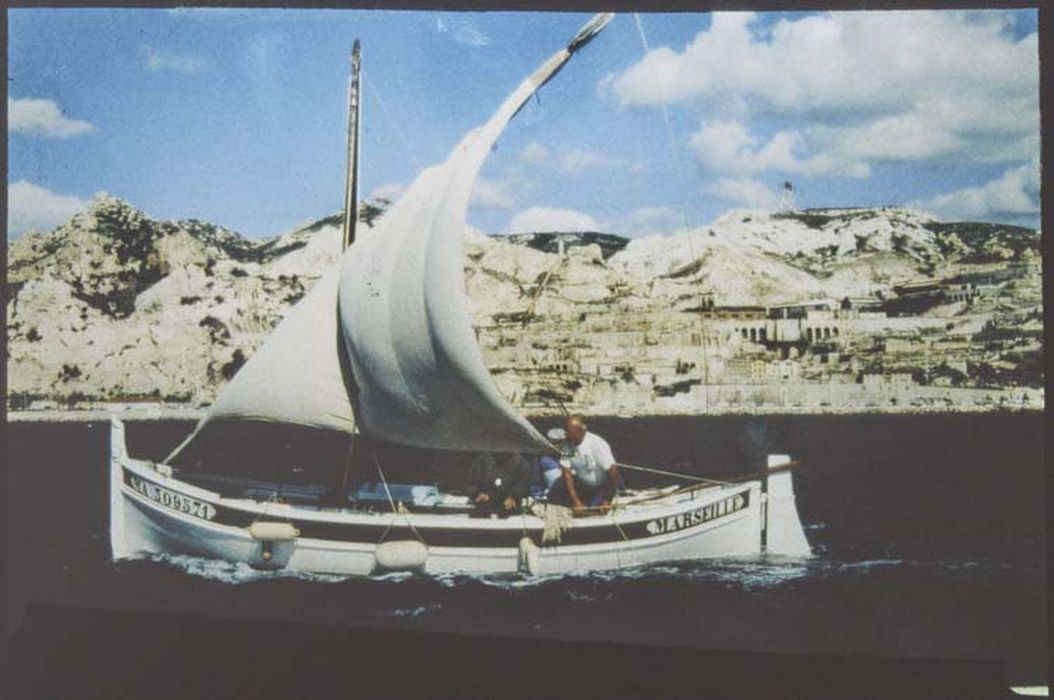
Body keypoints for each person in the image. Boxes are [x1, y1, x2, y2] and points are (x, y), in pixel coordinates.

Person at [547, 414, 621, 514]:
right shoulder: (567, 444)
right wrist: (575, 501)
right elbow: (566, 472)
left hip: (601, 487)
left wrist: (607, 499)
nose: (566, 434)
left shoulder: (597, 444)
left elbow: (614, 473)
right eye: (565, 430)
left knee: (595, 511)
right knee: (558, 487)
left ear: (581, 431)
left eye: (569, 431)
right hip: (582, 484)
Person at [464, 451, 534, 517]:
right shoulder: (481, 460)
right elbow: (471, 484)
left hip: (511, 510)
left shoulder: (520, 463)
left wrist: (513, 497)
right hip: (483, 508)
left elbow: (523, 485)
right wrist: (479, 493)